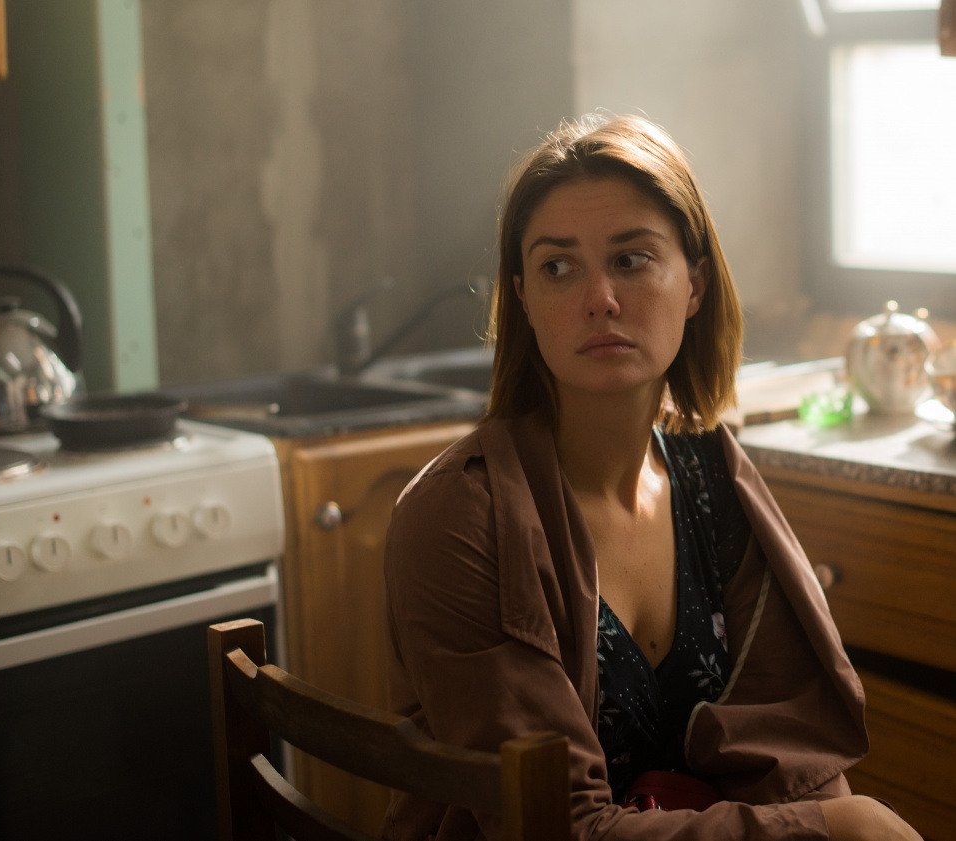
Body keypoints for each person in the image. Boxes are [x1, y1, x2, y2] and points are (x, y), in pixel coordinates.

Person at [381, 114, 923, 841]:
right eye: (558, 267)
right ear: (523, 299)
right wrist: (832, 828)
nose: (599, 298)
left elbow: (791, 755)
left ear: (694, 284)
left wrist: (830, 818)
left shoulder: (709, 472)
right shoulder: (460, 515)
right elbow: (554, 827)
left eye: (631, 260)